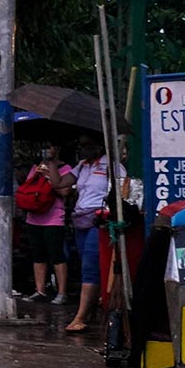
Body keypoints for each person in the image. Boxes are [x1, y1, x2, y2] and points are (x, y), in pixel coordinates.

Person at [22, 141, 77, 304]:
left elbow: (65, 191)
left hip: (53, 218)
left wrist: (49, 175)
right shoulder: (37, 167)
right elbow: (26, 186)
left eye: (50, 147)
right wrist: (37, 173)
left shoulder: (65, 169)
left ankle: (62, 291)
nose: (47, 151)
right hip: (34, 217)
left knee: (56, 255)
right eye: (45, 147)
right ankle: (40, 290)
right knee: (38, 255)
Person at [65, 133, 110, 332]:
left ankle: (80, 316)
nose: (83, 148)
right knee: (87, 262)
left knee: (90, 266)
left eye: (87, 144)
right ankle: (90, 308)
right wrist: (49, 165)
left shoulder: (110, 165)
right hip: (81, 219)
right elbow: (60, 183)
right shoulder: (82, 166)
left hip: (98, 219)